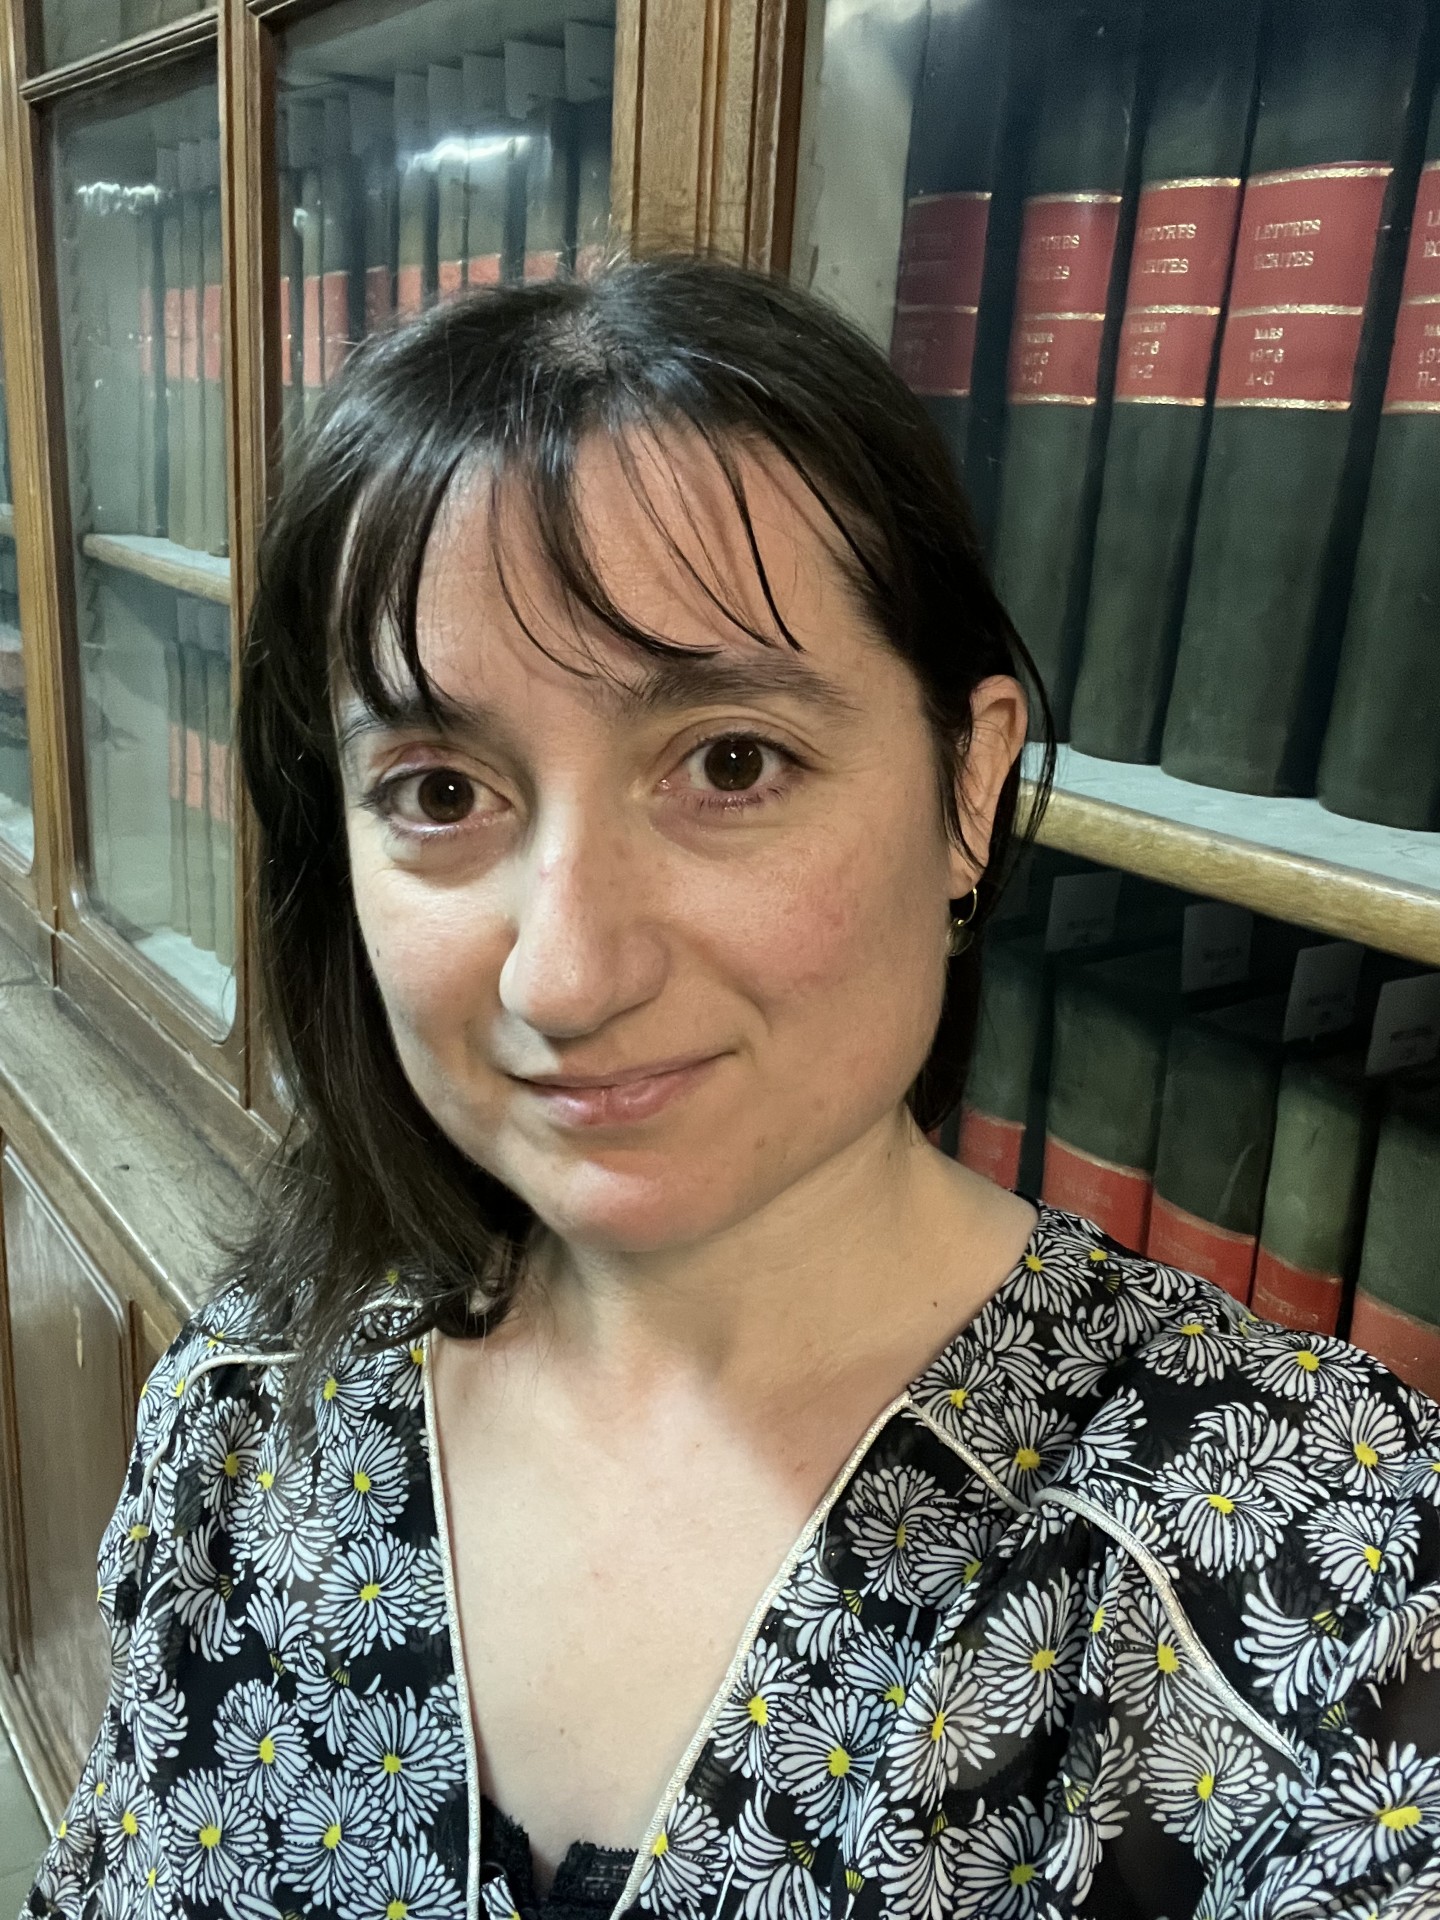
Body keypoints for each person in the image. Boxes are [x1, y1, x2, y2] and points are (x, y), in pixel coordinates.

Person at [25, 257, 1440, 1920]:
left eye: (731, 762)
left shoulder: (1321, 1586)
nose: (565, 976)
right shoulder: (260, 1398)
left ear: (970, 784)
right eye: (440, 789)